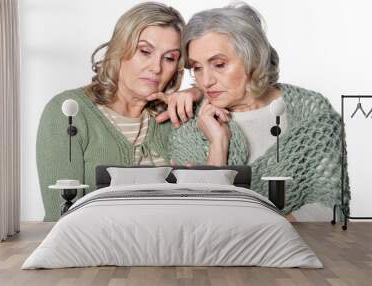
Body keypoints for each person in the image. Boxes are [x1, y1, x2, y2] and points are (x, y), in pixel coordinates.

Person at [169, 2, 349, 221]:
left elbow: (330, 210)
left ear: (253, 58)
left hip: (299, 251)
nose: (206, 81)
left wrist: (252, 229)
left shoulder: (311, 112)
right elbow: (199, 217)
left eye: (219, 64)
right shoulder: (189, 126)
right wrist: (218, 145)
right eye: (197, 68)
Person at [37, 2, 201, 221]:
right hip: (93, 251)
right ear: (120, 48)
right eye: (145, 51)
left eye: (169, 58)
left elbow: (203, 205)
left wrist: (197, 92)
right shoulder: (68, 112)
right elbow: (59, 216)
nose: (156, 67)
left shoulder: (175, 117)